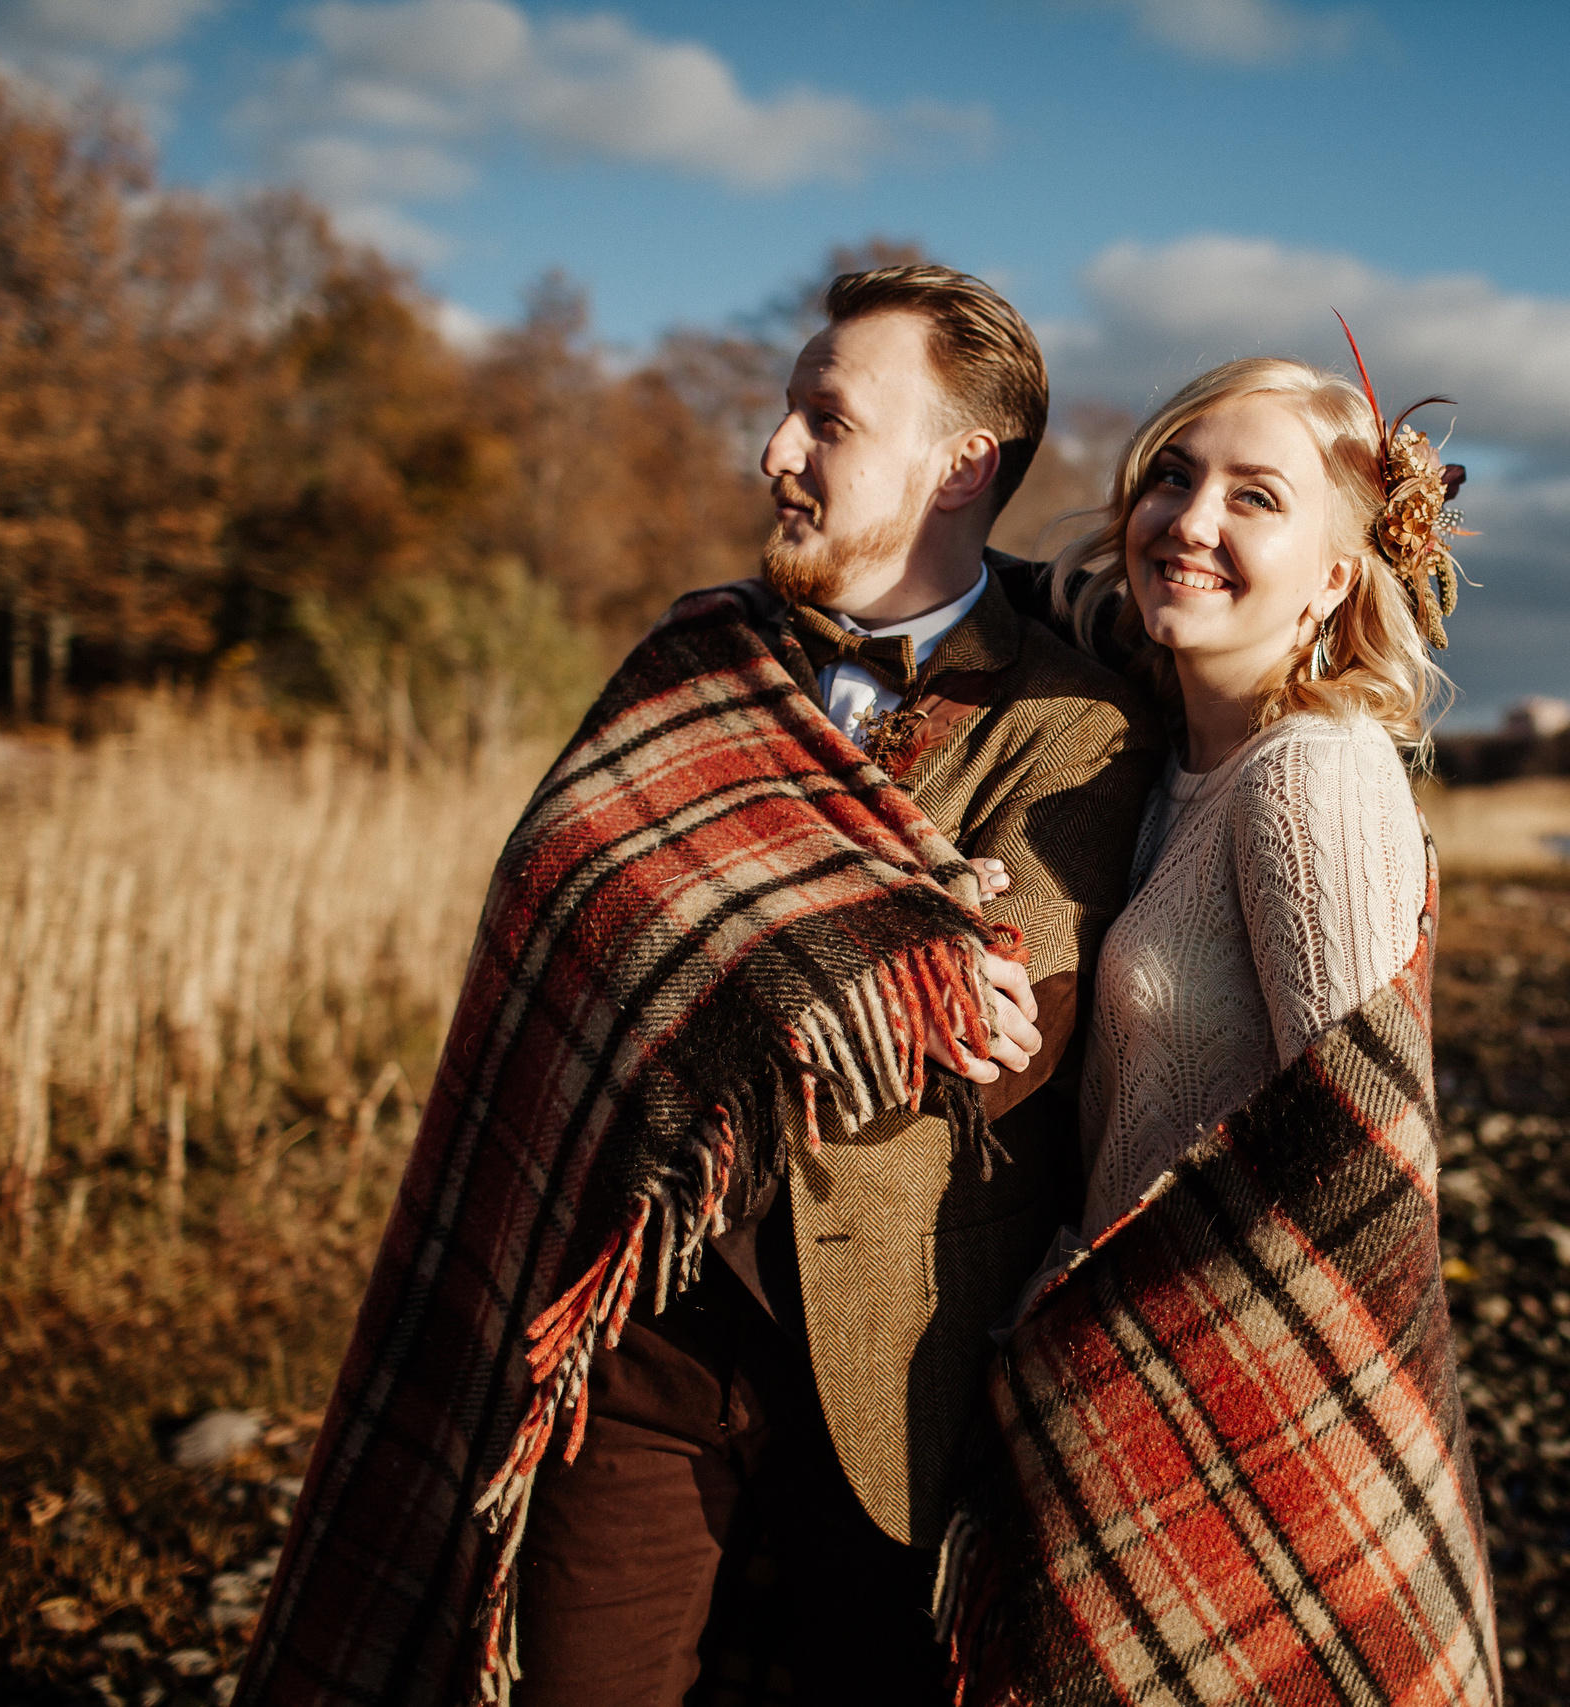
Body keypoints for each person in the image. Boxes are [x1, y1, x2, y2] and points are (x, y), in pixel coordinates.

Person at [237, 266, 1163, 1707]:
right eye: (785, 414)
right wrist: (889, 934)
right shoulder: (691, 659)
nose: (774, 453)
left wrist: (839, 945)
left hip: (889, 1368)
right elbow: (559, 911)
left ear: (961, 465)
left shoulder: (1072, 725)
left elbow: (1006, 1039)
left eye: (827, 420)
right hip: (635, 1321)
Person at [940, 355, 1502, 1705]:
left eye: (1256, 496)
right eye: (1173, 476)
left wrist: (1103, 1336)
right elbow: (1007, 590)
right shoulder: (1165, 768)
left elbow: (1365, 1175)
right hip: (1126, 1399)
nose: (1191, 520)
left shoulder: (1313, 777)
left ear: (1331, 579)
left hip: (1248, 1434)